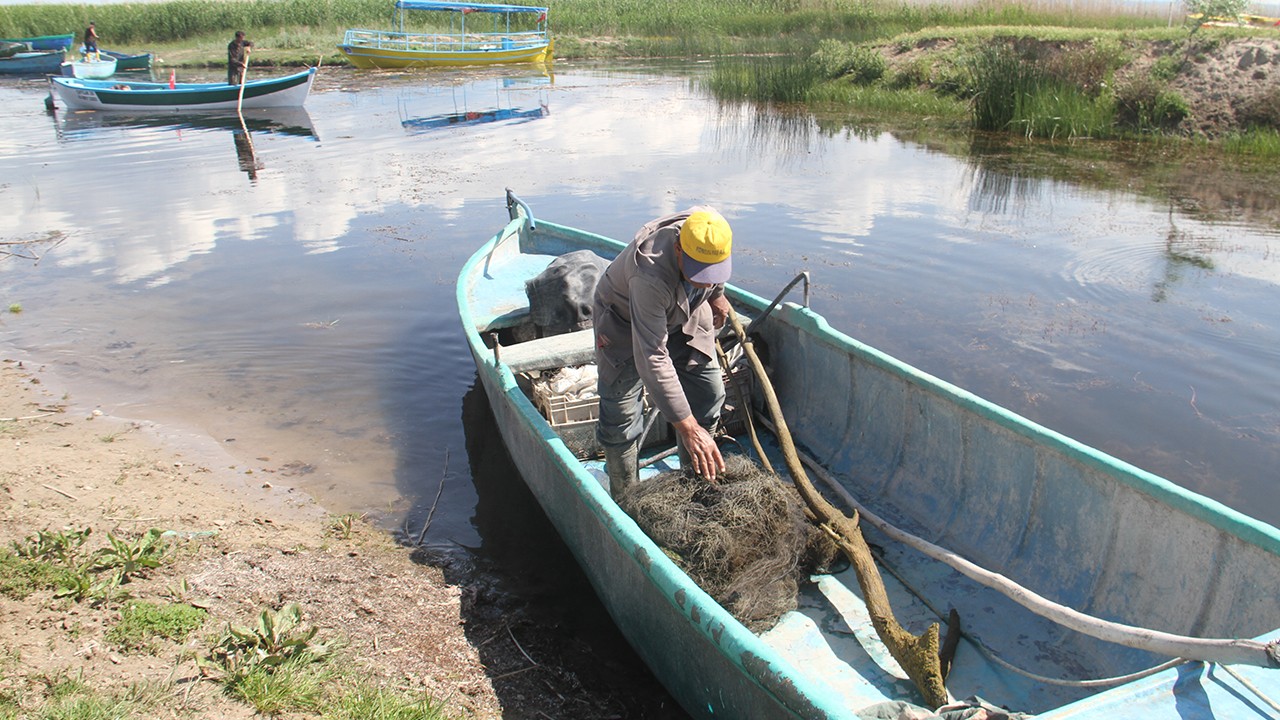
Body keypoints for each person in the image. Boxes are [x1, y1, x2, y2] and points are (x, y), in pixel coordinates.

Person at [592, 207, 734, 499]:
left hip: (686, 311)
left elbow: (712, 276)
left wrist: (717, 296)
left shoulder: (709, 230)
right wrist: (688, 428)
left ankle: (695, 483)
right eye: (701, 274)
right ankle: (625, 496)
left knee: (708, 394)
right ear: (679, 249)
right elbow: (653, 357)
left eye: (713, 275)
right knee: (621, 418)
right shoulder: (649, 276)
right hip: (624, 323)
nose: (707, 281)